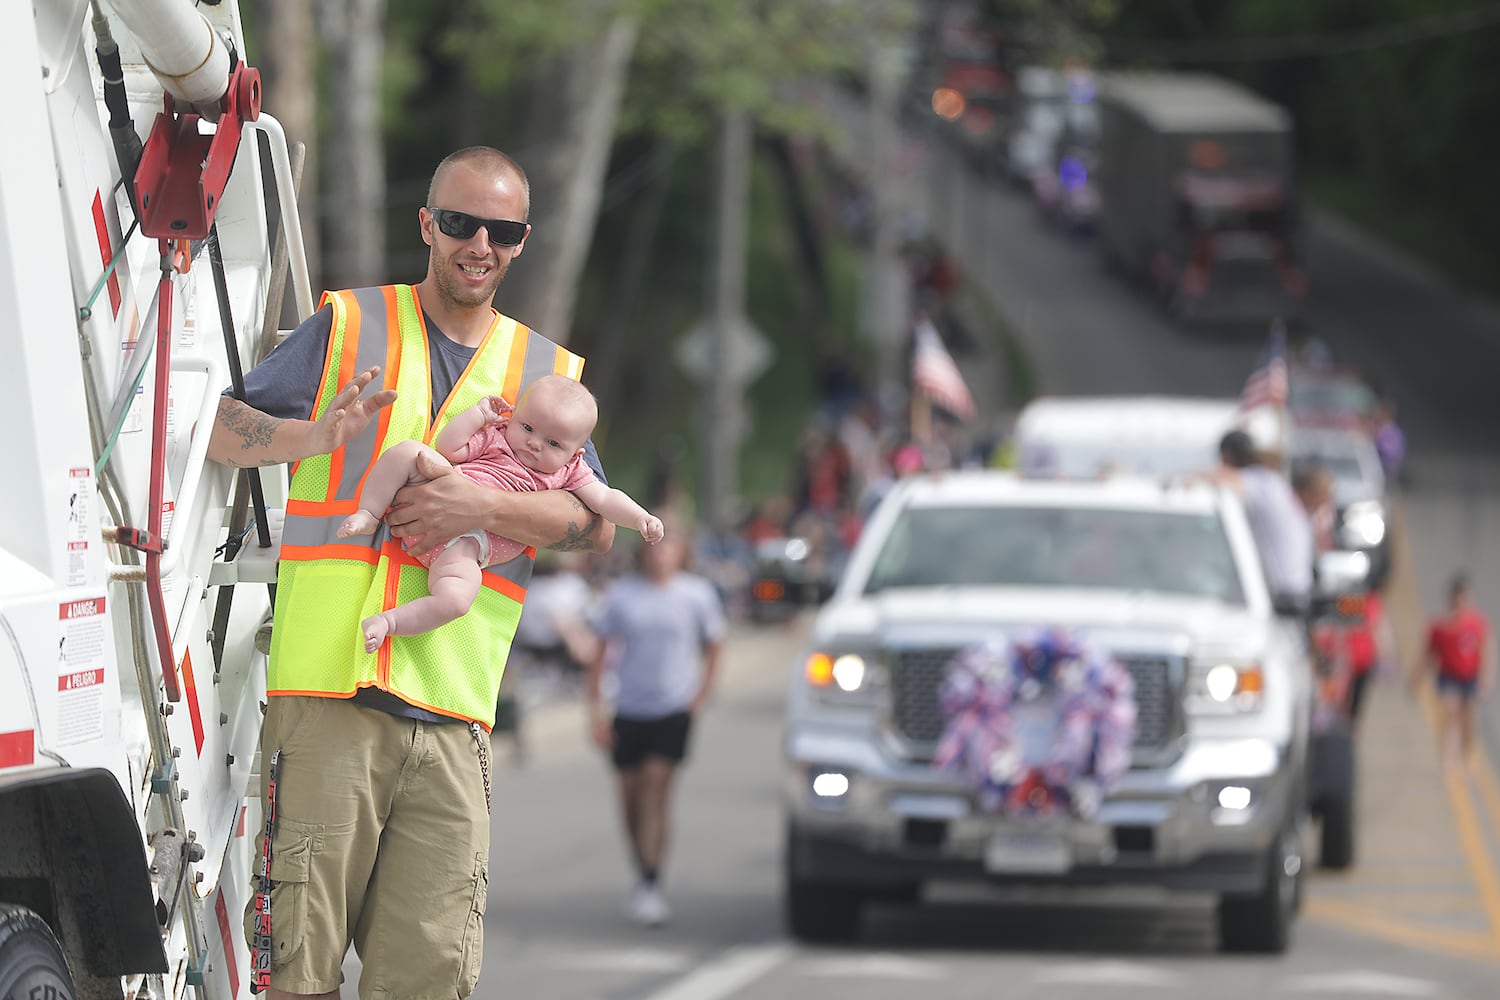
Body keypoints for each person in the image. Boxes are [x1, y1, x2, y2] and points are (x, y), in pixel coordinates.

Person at [207, 145, 616, 1000]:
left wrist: (484, 511)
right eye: (461, 223)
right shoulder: (351, 324)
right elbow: (219, 427)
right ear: (426, 225)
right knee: (298, 975)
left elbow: (590, 523)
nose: (480, 244)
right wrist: (312, 438)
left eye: (500, 231)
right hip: (327, 700)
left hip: (452, 715)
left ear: (522, 240)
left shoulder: (546, 376)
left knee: (429, 982)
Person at [339, 375, 663, 653]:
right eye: (527, 428)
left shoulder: (571, 472)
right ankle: (369, 511)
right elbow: (449, 448)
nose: (534, 444)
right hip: (441, 494)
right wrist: (477, 416)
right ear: (513, 417)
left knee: (457, 600)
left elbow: (605, 499)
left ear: (574, 454)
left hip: (464, 550)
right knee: (410, 452)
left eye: (552, 442)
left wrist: (639, 519)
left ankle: (388, 622)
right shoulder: (497, 436)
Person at [585, 533, 726, 927]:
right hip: (629, 707)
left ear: (681, 552)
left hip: (672, 708)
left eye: (668, 546)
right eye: (654, 547)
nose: (660, 554)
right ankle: (642, 869)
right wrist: (595, 712)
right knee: (630, 800)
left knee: (655, 788)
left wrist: (701, 694)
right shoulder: (621, 596)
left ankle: (651, 879)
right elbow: (599, 654)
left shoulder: (696, 594)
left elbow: (715, 643)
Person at [1212, 429, 1313, 612]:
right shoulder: (1273, 482)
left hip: (1282, 598)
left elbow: (1223, 479)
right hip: (1294, 594)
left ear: (1228, 457)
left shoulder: (1257, 481)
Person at [1413, 573, 1495, 776]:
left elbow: (1486, 651)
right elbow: (1428, 655)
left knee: (1469, 719)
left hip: (1469, 677)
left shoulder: (1477, 624)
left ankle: (1467, 756)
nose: (1460, 602)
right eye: (1456, 597)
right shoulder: (1440, 626)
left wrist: (1486, 678)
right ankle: (1447, 757)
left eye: (1463, 598)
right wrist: (1416, 678)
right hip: (1448, 677)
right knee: (1449, 714)